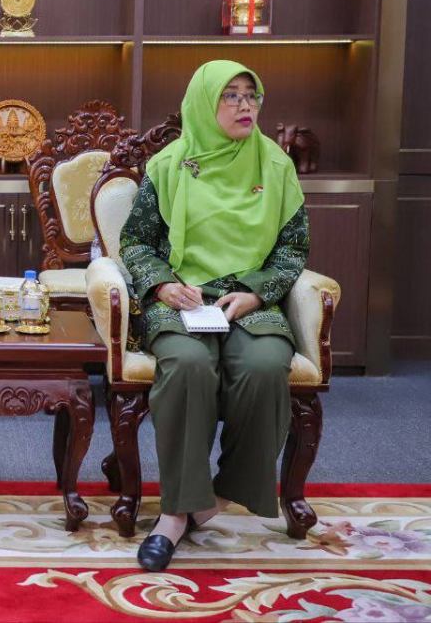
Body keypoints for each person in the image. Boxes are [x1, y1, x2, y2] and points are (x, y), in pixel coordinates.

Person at [120, 60, 309, 572]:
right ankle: (175, 514)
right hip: (182, 299)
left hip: (251, 302)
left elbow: (292, 250)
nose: (246, 105)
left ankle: (221, 495)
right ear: (204, 104)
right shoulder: (167, 165)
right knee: (187, 366)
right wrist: (163, 284)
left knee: (265, 368)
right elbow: (135, 242)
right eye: (231, 95)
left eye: (251, 94)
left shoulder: (276, 166)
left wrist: (256, 293)